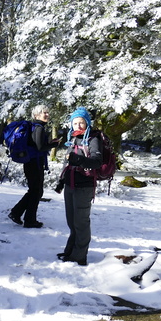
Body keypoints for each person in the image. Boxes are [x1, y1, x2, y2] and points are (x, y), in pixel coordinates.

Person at [57, 107, 103, 266]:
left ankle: (79, 256)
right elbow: (67, 161)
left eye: (81, 122)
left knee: (81, 223)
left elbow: (97, 162)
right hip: (70, 184)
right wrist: (61, 180)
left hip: (84, 186)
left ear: (87, 123)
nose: (78, 126)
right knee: (71, 221)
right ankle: (70, 250)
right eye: (75, 123)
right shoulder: (73, 138)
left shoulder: (93, 139)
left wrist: (78, 160)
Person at [8, 105, 61, 228]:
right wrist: (53, 145)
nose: (47, 115)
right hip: (34, 164)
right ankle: (29, 220)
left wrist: (50, 143)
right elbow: (40, 147)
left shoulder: (35, 127)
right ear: (36, 115)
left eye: (47, 112)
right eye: (44, 113)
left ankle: (17, 213)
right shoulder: (38, 128)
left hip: (31, 162)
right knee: (36, 191)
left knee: (35, 191)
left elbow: (37, 145)